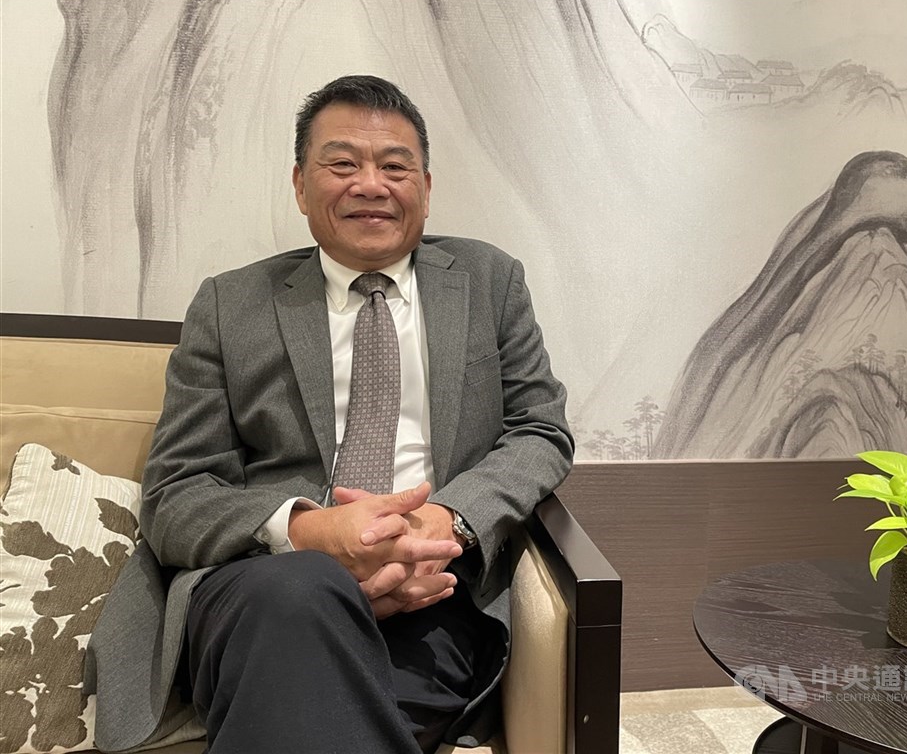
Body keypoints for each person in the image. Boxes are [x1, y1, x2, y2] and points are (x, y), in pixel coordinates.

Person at [85, 75, 574, 754]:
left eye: (395, 167)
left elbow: (540, 431)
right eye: (342, 164)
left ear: (426, 186)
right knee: (301, 593)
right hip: (263, 588)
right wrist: (307, 533)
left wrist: (445, 522)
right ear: (300, 184)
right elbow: (176, 498)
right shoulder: (230, 306)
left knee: (307, 708)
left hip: (430, 589)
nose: (371, 185)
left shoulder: (490, 282)